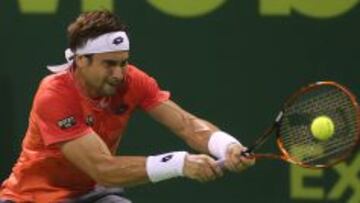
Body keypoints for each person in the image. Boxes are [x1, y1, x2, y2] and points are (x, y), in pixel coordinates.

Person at [0, 10, 255, 203]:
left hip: (89, 195)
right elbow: (102, 168)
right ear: (81, 60)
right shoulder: (54, 94)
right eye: (109, 63)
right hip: (30, 198)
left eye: (123, 62)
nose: (119, 74)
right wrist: (179, 163)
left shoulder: (132, 81)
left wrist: (226, 146)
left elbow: (187, 124)